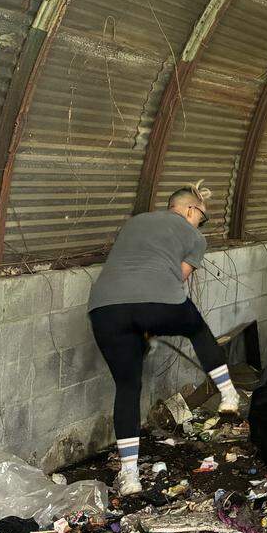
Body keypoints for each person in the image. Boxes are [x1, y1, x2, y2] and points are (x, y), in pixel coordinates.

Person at [88, 181, 240, 496]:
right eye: (203, 216)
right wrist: (153, 322)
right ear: (188, 209)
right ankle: (229, 395)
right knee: (197, 329)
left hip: (104, 308)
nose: (202, 223)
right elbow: (174, 278)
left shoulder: (135, 223)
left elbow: (132, 271)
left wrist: (143, 327)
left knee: (127, 387)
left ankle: (130, 477)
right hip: (157, 300)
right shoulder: (194, 236)